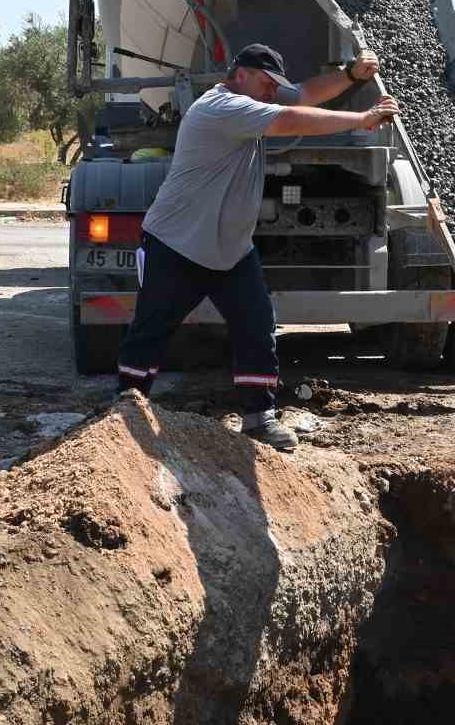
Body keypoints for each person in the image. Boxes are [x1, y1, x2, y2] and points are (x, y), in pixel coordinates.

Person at [116, 43, 397, 452]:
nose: (272, 92)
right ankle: (126, 406)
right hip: (177, 244)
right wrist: (363, 118)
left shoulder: (253, 95)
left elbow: (302, 94)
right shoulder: (223, 107)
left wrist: (351, 75)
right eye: (267, 84)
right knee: (151, 329)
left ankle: (259, 418)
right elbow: (289, 116)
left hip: (230, 249)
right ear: (241, 74)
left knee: (256, 325)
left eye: (273, 86)